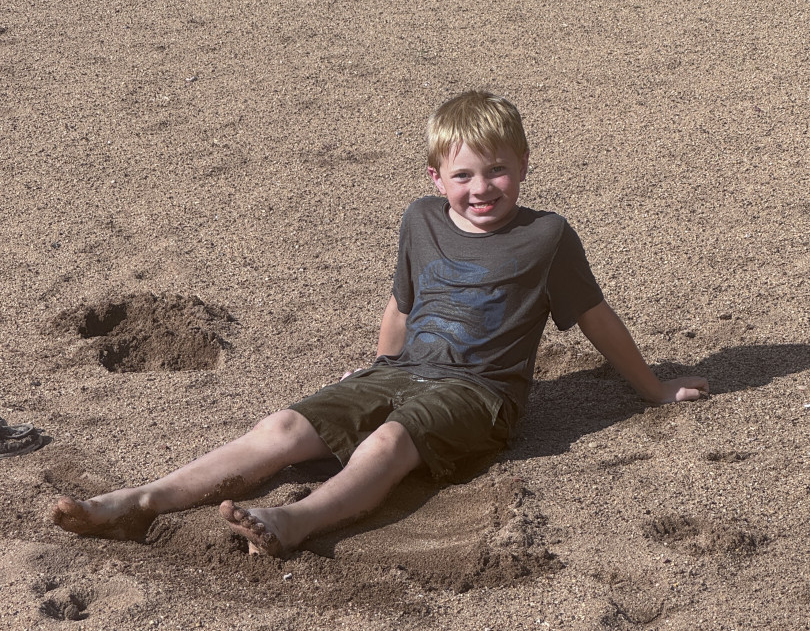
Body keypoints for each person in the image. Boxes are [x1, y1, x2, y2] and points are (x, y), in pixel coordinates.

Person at [51, 90, 708, 556]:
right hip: (404, 370)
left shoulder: (547, 237)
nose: (482, 188)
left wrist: (653, 388)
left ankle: (296, 521)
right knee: (281, 429)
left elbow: (595, 316)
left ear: (524, 166)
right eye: (464, 175)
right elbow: (401, 305)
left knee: (391, 440)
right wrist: (377, 368)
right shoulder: (420, 219)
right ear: (437, 177)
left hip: (482, 393)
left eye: (499, 170)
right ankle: (140, 502)